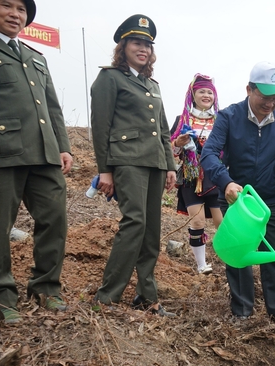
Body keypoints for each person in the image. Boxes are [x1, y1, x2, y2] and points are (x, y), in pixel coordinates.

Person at [200, 61, 275, 334]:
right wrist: (226, 182)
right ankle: (242, 312)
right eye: (264, 97)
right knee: (239, 255)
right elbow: (209, 154)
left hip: (267, 201)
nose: (270, 104)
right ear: (249, 89)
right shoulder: (229, 117)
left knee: (273, 256)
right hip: (236, 198)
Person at [0, 0, 73, 324]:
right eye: (6, 5)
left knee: (55, 219)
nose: (15, 14)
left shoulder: (36, 57)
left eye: (21, 9)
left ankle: (46, 288)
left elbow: (52, 107)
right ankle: (1, 297)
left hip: (44, 154)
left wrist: (63, 147)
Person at [90, 14, 177, 317]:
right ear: (124, 45)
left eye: (148, 45)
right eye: (137, 43)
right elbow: (101, 127)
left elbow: (163, 129)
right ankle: (107, 296)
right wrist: (105, 170)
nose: (143, 49)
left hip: (153, 164)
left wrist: (170, 166)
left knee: (152, 231)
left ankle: (146, 296)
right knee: (135, 223)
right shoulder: (110, 78)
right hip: (127, 162)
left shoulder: (151, 85)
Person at [170, 74, 223, 275]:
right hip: (190, 178)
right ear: (193, 94)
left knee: (222, 222)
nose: (206, 95)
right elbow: (169, 149)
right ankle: (202, 265)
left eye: (210, 92)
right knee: (198, 222)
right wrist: (178, 144)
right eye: (202, 91)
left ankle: (229, 259)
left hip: (216, 176)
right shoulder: (181, 120)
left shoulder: (221, 120)